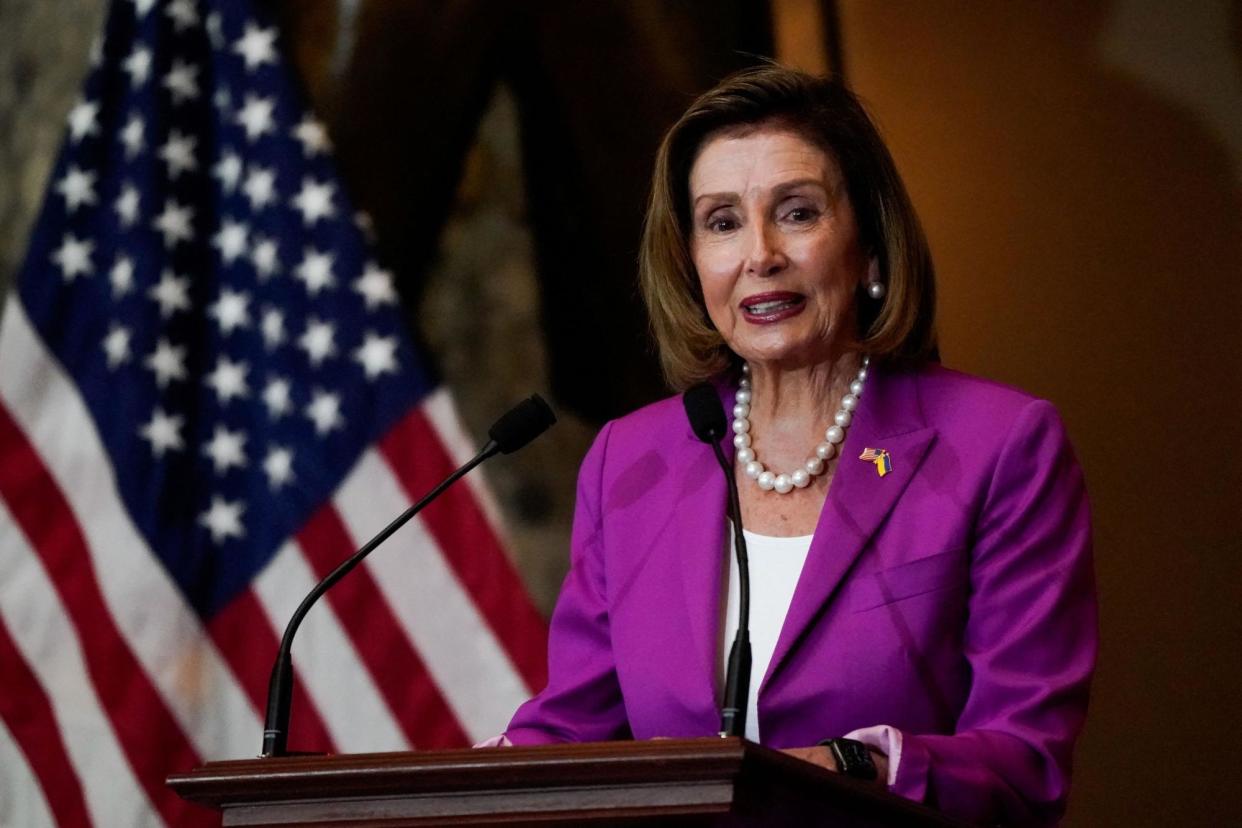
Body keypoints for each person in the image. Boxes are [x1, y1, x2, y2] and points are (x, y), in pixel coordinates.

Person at [498, 65, 1096, 826]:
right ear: (690, 263)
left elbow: (1026, 761)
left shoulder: (1001, 446)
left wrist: (859, 762)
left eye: (798, 212)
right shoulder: (632, 459)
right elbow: (572, 730)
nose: (760, 254)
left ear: (870, 248)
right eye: (722, 222)